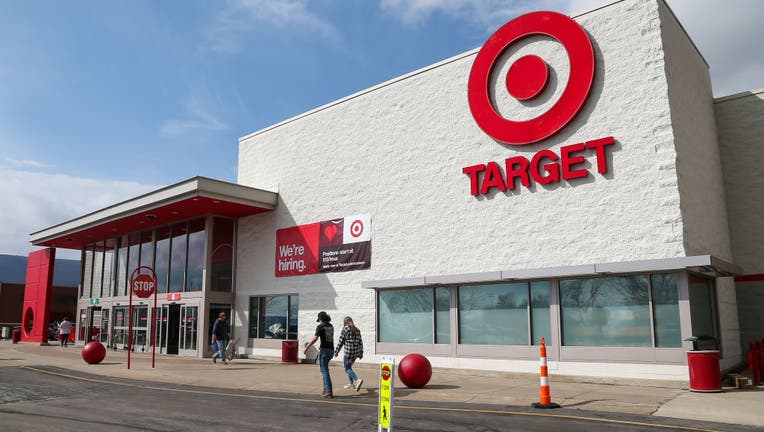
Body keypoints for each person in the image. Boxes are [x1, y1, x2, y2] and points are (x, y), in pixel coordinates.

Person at [304, 311, 334, 398]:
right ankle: (325, 390)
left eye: (319, 320)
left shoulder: (320, 326)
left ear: (320, 319)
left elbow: (315, 338)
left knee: (324, 371)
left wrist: (307, 347)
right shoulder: (330, 326)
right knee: (324, 370)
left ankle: (329, 391)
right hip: (331, 350)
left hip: (324, 350)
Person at [334, 316, 364, 391]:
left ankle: (357, 380)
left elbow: (341, 341)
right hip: (355, 353)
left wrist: (336, 351)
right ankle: (351, 384)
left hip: (348, 353)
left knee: (347, 369)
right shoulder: (357, 330)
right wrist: (361, 353)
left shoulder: (345, 329)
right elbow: (360, 342)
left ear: (345, 322)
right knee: (349, 367)